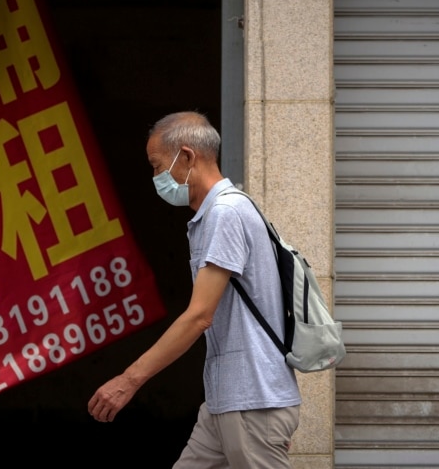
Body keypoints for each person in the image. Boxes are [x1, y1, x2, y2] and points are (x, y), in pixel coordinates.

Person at [88, 111, 301, 468]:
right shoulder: (217, 214)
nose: (155, 178)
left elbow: (200, 315)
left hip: (251, 402)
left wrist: (129, 380)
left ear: (187, 157)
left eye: (157, 166)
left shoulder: (226, 213)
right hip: (226, 401)